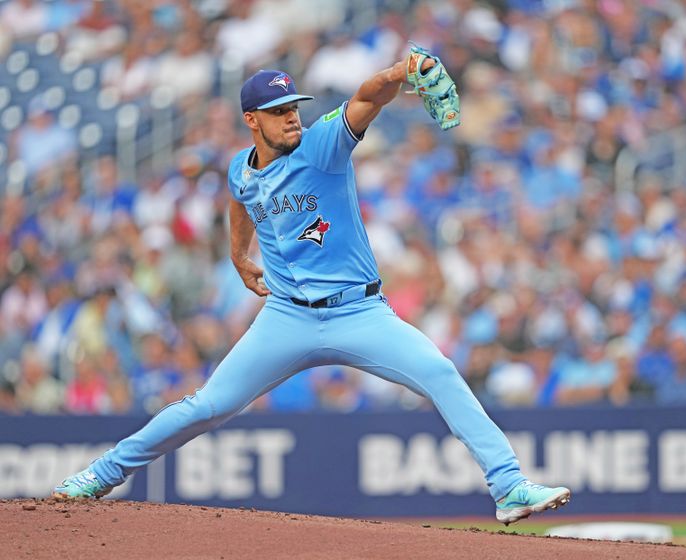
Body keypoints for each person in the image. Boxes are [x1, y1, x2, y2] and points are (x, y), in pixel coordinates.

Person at [52, 51, 570, 525]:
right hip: (287, 317)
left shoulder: (321, 146)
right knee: (207, 405)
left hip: (358, 312)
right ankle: (102, 474)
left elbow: (366, 99)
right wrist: (238, 255)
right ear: (252, 120)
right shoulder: (242, 167)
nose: (291, 116)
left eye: (293, 106)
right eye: (278, 110)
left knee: (438, 370)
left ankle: (508, 486)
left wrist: (395, 74)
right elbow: (239, 196)